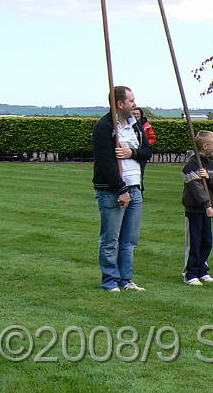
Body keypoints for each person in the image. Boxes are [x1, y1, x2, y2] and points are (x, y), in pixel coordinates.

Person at [92, 86, 152, 292]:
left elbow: (147, 151)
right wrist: (120, 189)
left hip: (135, 189)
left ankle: (126, 280)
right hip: (113, 191)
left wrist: (131, 153)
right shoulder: (104, 127)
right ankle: (110, 281)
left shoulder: (136, 125)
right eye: (131, 101)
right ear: (119, 104)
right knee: (111, 239)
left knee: (129, 240)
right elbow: (106, 162)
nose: (134, 104)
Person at [181, 130, 213, 286]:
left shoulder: (212, 165)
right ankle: (190, 273)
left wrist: (209, 177)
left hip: (207, 210)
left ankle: (202, 269)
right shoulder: (191, 166)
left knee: (206, 241)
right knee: (195, 241)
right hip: (194, 209)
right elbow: (196, 188)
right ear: (205, 146)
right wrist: (206, 206)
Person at [131, 107, 157, 192]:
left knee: (140, 172)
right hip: (132, 152)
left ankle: (140, 189)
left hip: (142, 152)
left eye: (137, 114)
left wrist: (145, 144)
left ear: (141, 115)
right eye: (134, 114)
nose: (136, 115)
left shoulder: (146, 125)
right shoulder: (130, 124)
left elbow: (153, 138)